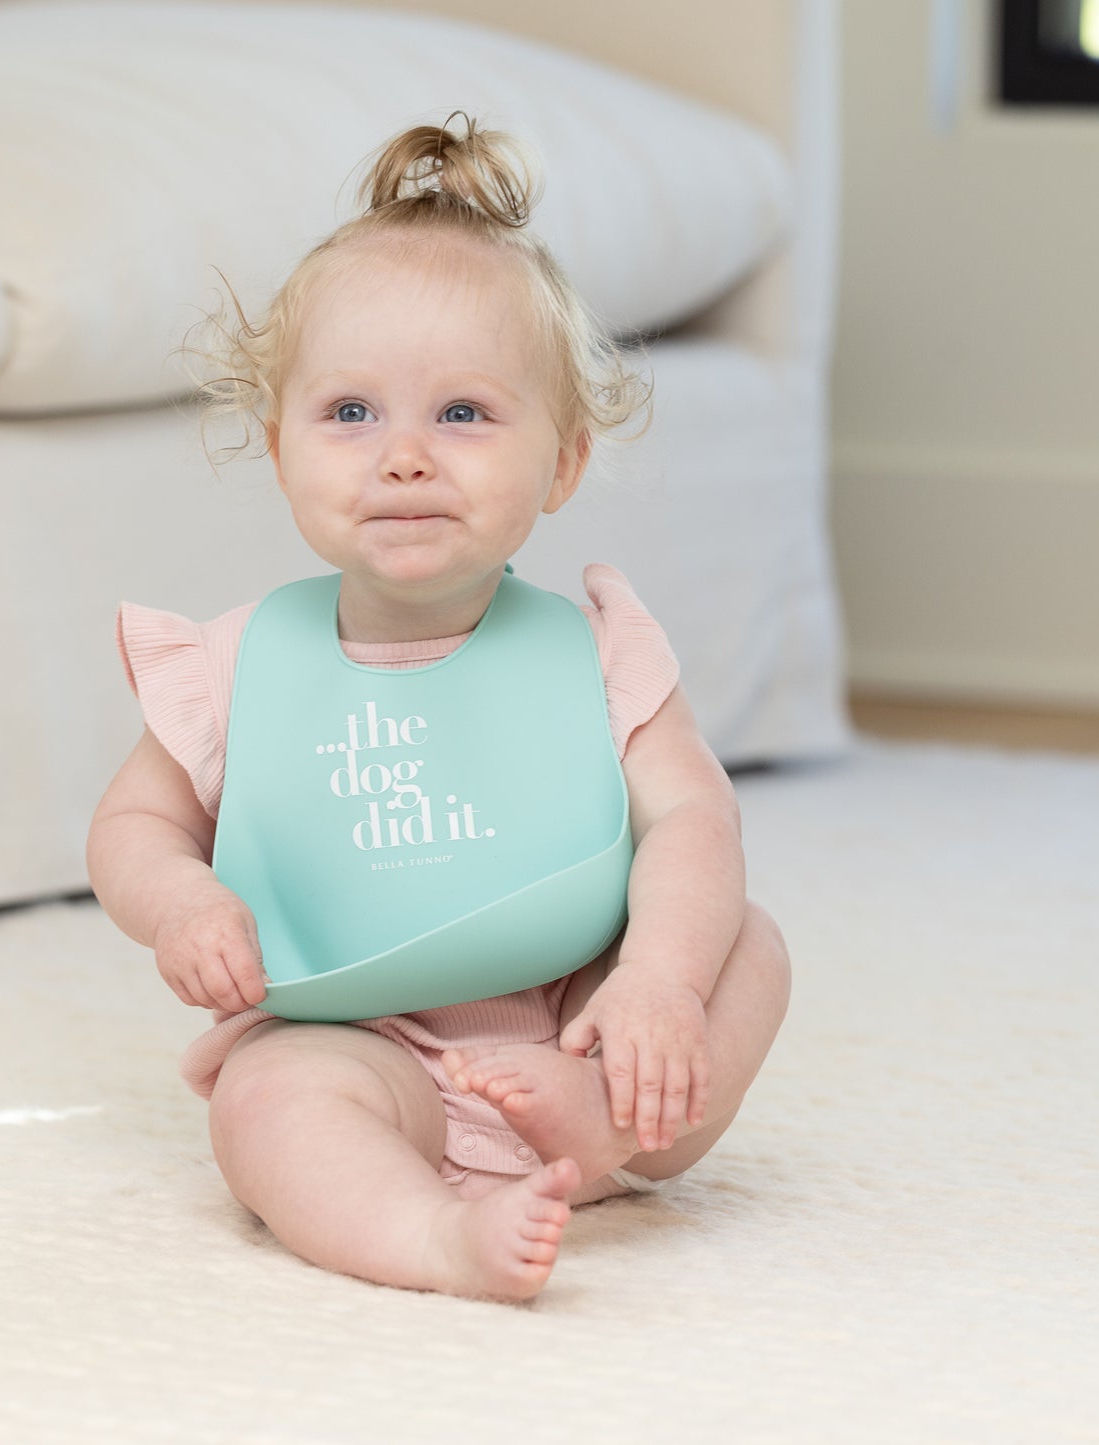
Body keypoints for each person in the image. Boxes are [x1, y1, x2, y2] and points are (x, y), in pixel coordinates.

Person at [86, 114, 791, 1302]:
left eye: (461, 413)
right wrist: (181, 901)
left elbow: (689, 817)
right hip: (358, 1037)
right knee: (265, 1100)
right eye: (350, 412)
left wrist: (656, 982)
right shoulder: (235, 666)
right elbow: (132, 826)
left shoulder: (596, 653)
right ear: (278, 449)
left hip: (576, 1012)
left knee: (747, 946)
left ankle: (605, 1123)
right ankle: (429, 1234)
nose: (404, 455)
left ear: (562, 461)